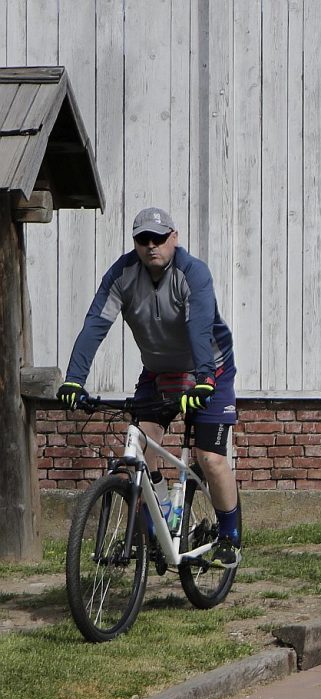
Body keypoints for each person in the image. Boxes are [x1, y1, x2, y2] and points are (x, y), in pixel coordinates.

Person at [57, 206, 242, 566]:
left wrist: (205, 379)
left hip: (209, 372)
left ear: (174, 238)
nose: (151, 245)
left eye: (158, 238)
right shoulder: (122, 275)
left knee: (210, 457)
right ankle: (162, 518)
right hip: (158, 373)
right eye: (143, 239)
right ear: (135, 243)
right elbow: (95, 324)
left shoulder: (193, 273)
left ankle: (229, 536)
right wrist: (74, 379)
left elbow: (199, 326)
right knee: (140, 452)